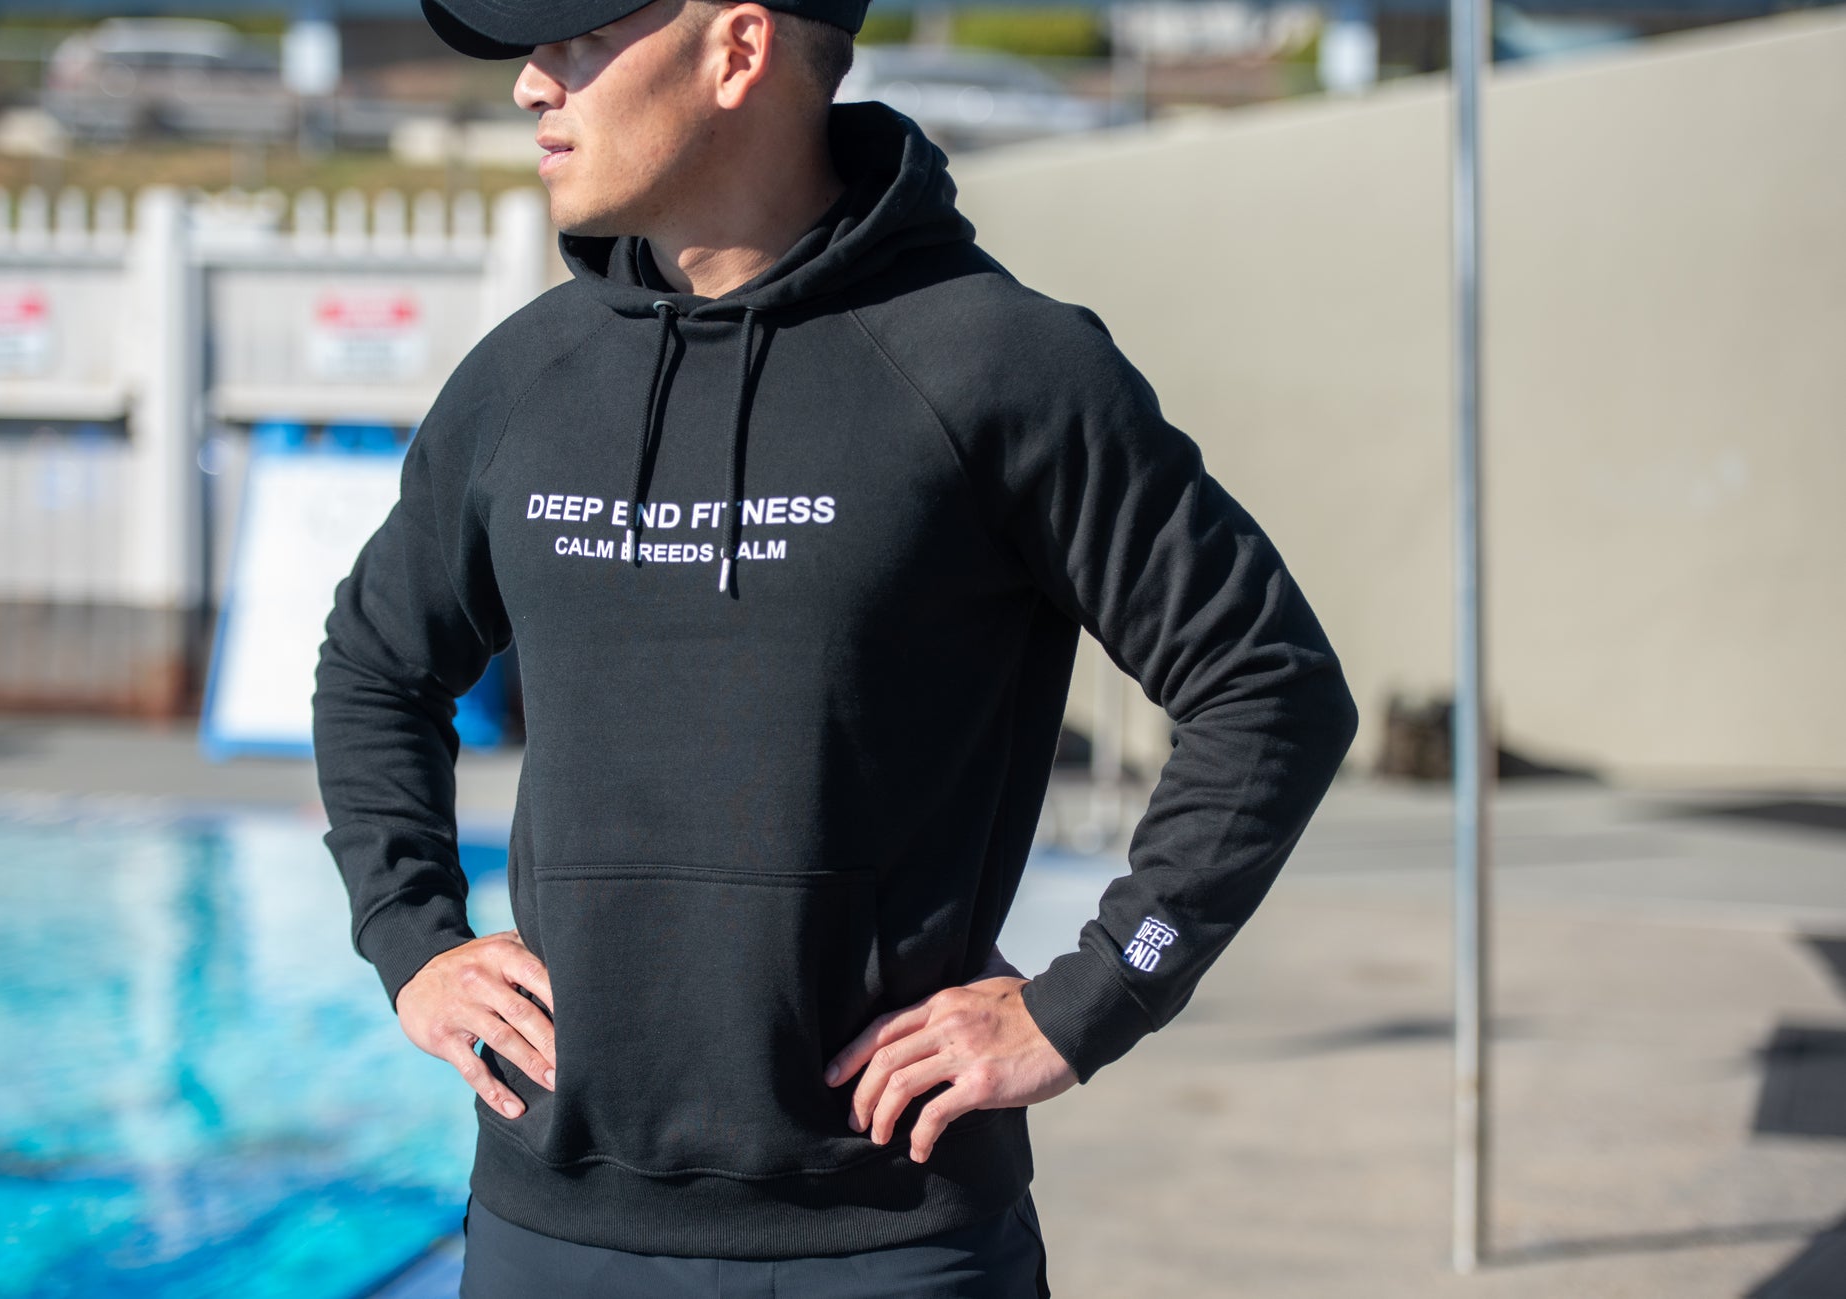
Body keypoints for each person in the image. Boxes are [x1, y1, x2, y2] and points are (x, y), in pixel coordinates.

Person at [311, 0, 1360, 1292]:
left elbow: (1268, 686)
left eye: (581, 39)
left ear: (738, 50)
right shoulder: (524, 379)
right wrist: (411, 938)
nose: (534, 84)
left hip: (891, 1244)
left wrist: (1092, 998)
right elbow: (372, 666)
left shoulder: (997, 365)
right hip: (551, 1232)